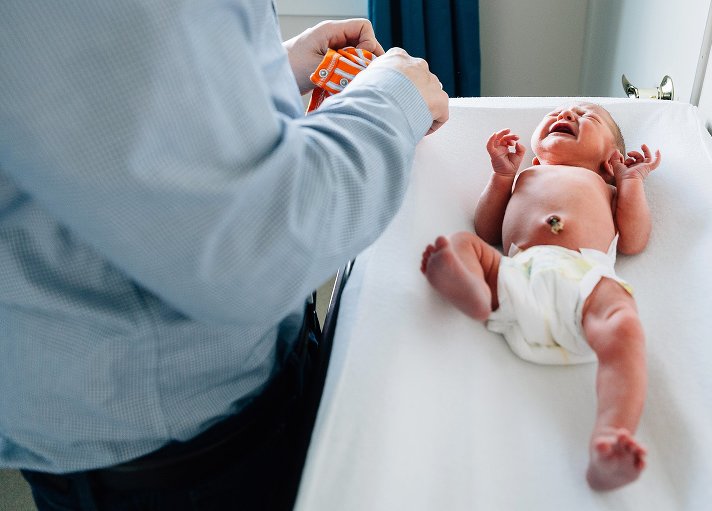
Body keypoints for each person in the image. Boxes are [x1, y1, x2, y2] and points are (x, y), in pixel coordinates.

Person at [0, 1, 448, 509]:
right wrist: (392, 100)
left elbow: (102, 122)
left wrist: (261, 74)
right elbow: (256, 245)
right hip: (182, 464)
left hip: (203, 420)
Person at [420, 102, 660, 491]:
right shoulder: (525, 175)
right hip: (521, 269)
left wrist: (631, 182)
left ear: (611, 159)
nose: (568, 115)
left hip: (586, 276)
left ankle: (611, 438)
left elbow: (634, 241)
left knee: (625, 326)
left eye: (589, 117)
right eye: (561, 112)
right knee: (463, 243)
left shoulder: (608, 186)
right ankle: (474, 289)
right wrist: (502, 177)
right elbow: (488, 230)